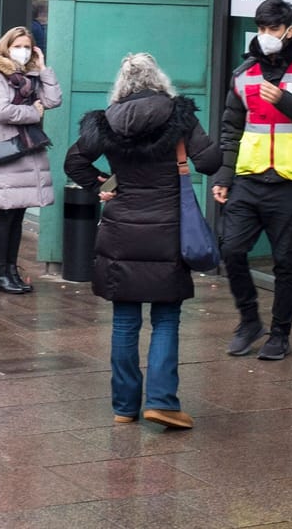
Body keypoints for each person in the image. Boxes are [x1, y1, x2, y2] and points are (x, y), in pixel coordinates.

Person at [63, 53, 217, 430]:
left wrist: (105, 184)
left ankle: (124, 407)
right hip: (167, 230)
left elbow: (74, 162)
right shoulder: (179, 116)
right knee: (166, 317)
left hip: (121, 231)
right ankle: (162, 401)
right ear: (158, 80)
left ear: (122, 84)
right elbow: (210, 162)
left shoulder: (106, 121)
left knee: (124, 321)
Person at [213, 0, 292, 361]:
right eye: (262, 29)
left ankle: (280, 334)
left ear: (290, 30)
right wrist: (224, 174)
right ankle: (249, 319)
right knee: (231, 249)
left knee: (285, 263)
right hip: (248, 178)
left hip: (290, 182)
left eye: (274, 29)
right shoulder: (243, 73)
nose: (267, 35)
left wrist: (284, 100)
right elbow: (230, 129)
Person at [0, 26, 62, 294]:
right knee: (4, 216)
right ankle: (1, 274)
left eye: (28, 46)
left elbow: (54, 100)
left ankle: (12, 270)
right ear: (6, 47)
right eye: (18, 46)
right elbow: (1, 111)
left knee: (17, 215)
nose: (23, 51)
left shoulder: (32, 77)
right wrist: (33, 112)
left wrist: (44, 68)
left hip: (28, 153)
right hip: (6, 152)